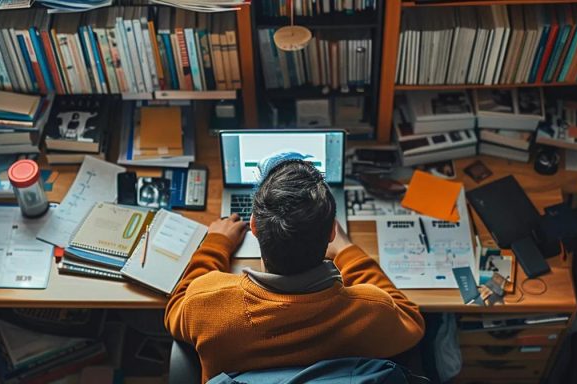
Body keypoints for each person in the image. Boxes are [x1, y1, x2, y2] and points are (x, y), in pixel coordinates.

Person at [164, 159, 425, 381]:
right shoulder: (371, 310)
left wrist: (216, 243)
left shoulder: (206, 302)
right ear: (332, 231)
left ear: (253, 226)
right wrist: (348, 252)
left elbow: (177, 305)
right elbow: (411, 321)